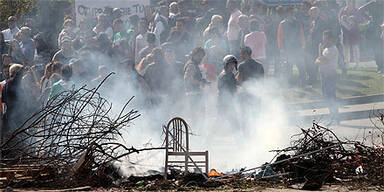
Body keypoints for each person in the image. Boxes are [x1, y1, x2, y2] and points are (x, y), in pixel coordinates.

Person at [277, 6, 306, 86]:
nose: (292, 14)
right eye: (290, 12)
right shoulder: (282, 24)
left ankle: (304, 82)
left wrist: (303, 45)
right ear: (287, 13)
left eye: (293, 12)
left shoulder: (298, 23)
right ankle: (289, 83)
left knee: (301, 66)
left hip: (298, 48)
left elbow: (301, 34)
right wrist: (281, 49)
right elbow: (280, 37)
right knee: (288, 67)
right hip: (287, 48)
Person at [315, 31, 339, 124]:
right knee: (327, 96)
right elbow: (319, 59)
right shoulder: (326, 49)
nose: (323, 40)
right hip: (324, 75)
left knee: (331, 97)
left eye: (326, 38)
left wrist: (319, 55)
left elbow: (321, 61)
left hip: (330, 75)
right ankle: (333, 116)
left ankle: (335, 117)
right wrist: (320, 52)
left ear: (331, 39)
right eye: (323, 38)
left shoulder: (332, 49)